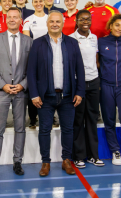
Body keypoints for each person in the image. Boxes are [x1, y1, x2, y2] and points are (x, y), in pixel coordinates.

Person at [27, 11, 85, 177]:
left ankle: (66, 160)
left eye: (57, 22)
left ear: (62, 23)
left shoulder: (72, 43)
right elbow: (31, 72)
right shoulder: (37, 44)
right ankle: (46, 162)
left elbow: (79, 69)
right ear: (47, 23)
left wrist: (80, 91)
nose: (54, 24)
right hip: (45, 96)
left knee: (68, 129)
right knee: (44, 130)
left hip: (68, 96)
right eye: (51, 21)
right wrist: (34, 94)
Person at [0, 7, 33, 182]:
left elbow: (32, 67)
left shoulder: (28, 41)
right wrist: (2, 85)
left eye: (16, 17)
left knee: (20, 128)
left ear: (21, 20)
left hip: (21, 92)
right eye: (9, 17)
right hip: (1, 91)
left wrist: (22, 85)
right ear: (6, 20)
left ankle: (17, 162)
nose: (12, 20)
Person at [98, 14, 121, 166]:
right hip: (106, 85)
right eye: (117, 25)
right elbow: (96, 62)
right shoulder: (101, 42)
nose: (120, 28)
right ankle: (115, 150)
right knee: (109, 120)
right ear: (111, 25)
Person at [70, 10, 102, 168]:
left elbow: (96, 60)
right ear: (76, 21)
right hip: (78, 84)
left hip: (94, 82)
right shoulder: (71, 39)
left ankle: (93, 155)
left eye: (88, 19)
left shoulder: (94, 38)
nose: (85, 21)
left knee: (92, 119)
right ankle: (79, 156)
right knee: (78, 120)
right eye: (82, 19)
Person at [22, 0, 48, 128]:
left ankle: (49, 114)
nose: (38, 4)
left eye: (40, 1)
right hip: (34, 56)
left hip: (49, 56)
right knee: (33, 86)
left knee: (49, 86)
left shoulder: (49, 18)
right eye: (36, 2)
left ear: (44, 2)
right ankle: (32, 117)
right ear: (32, 3)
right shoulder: (28, 20)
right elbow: (27, 41)